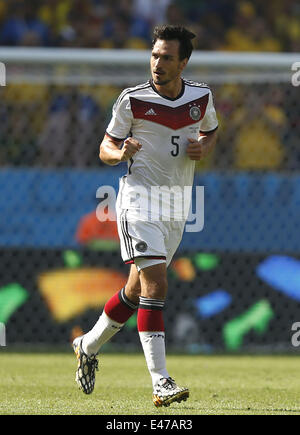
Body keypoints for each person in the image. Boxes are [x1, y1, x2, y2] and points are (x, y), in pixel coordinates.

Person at [73, 25, 218, 408]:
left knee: (136, 292)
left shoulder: (201, 98)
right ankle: (161, 381)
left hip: (176, 206)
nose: (158, 63)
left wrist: (204, 146)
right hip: (138, 202)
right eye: (155, 55)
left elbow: (212, 131)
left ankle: (87, 345)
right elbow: (105, 146)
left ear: (182, 62)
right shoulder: (132, 100)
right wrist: (119, 153)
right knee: (157, 284)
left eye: (167, 57)